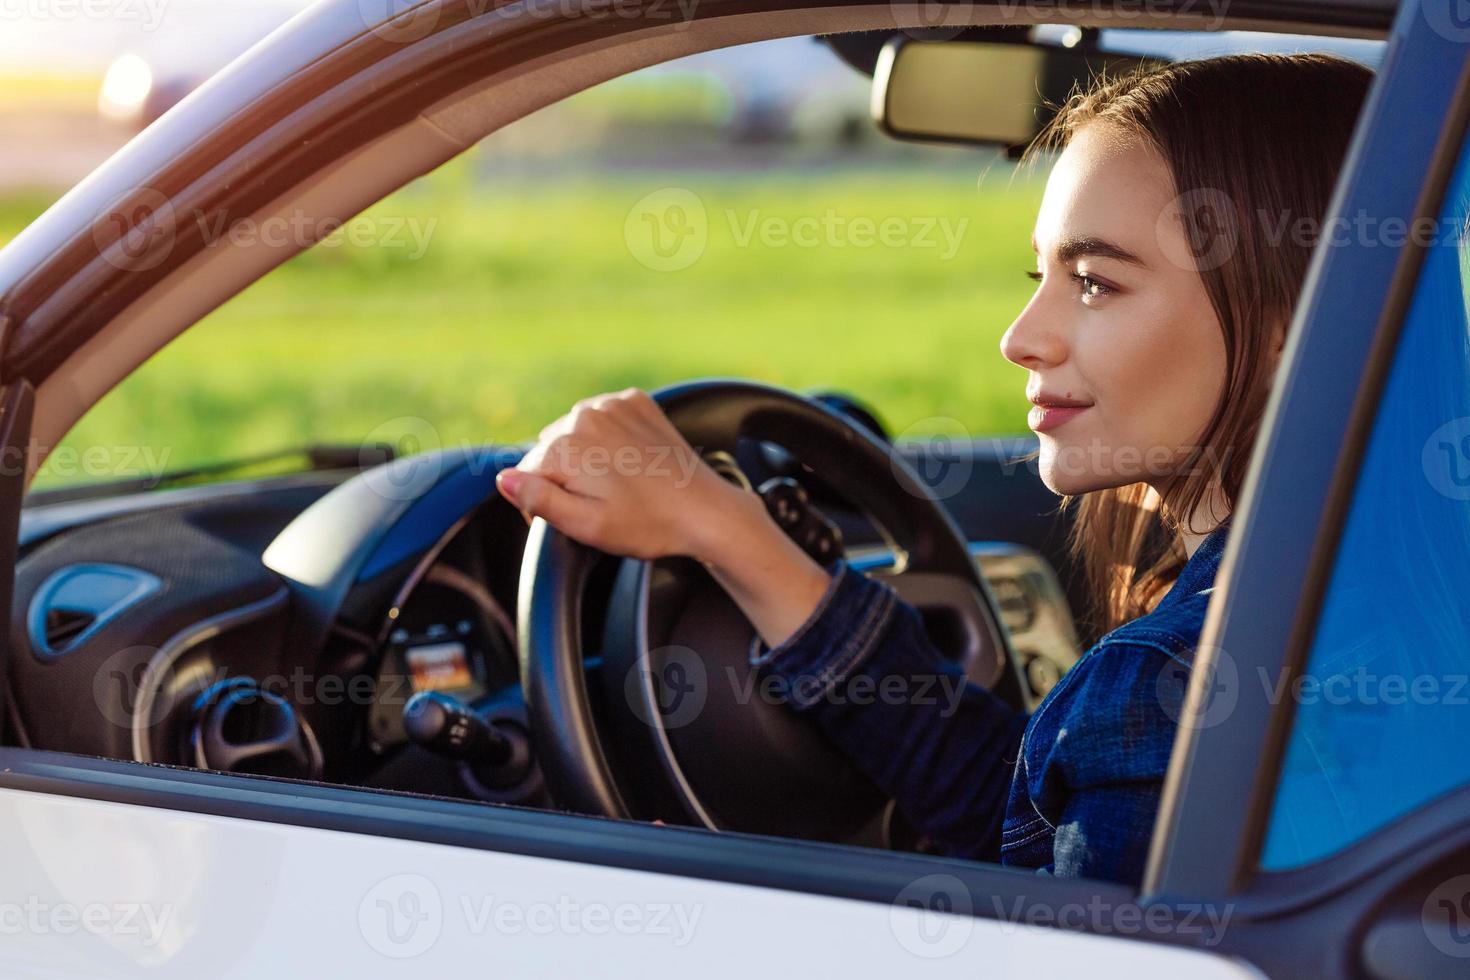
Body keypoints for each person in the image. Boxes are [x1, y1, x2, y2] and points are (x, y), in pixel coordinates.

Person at [493, 53, 1373, 886]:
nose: (1020, 337)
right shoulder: (1348, 604)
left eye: (1095, 282)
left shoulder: (1162, 684)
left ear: (1289, 323)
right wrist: (729, 532)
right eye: (1041, 273)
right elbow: (1014, 811)